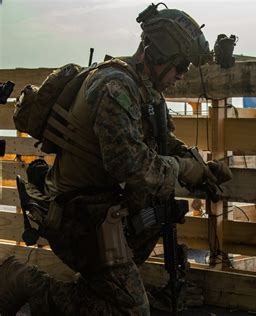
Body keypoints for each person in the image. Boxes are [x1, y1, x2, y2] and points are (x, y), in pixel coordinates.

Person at [0, 3, 232, 315]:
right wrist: (182, 168)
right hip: (78, 217)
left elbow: (157, 141)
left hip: (100, 211)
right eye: (180, 67)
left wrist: (199, 167)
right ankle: (23, 280)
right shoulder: (115, 87)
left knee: (159, 211)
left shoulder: (140, 89)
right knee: (131, 312)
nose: (180, 76)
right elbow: (128, 163)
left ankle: (109, 286)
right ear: (160, 54)